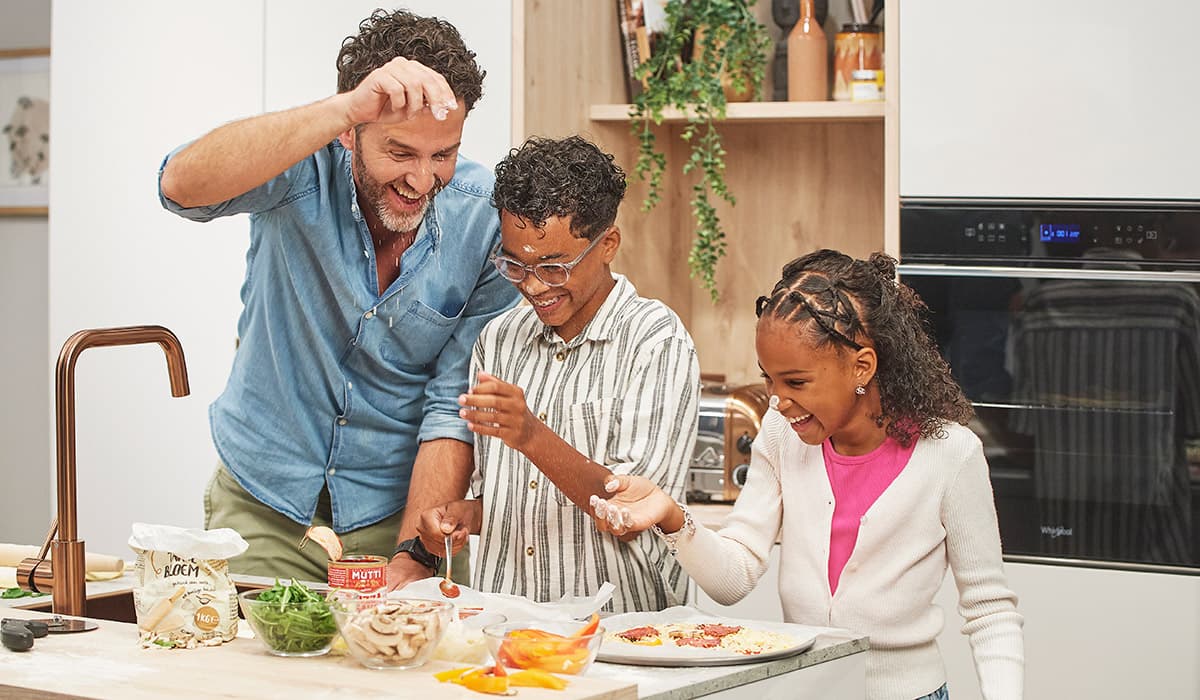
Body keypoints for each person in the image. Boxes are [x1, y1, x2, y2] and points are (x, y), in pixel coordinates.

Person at [157, 9, 520, 587]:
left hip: (396, 516)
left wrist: (415, 554)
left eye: (442, 154)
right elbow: (180, 186)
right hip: (264, 505)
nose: (423, 180)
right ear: (351, 133)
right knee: (251, 674)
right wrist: (343, 107)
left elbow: (454, 403)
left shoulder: (487, 222)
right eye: (401, 153)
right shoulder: (300, 167)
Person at [590, 250, 1025, 699]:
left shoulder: (950, 454)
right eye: (769, 380)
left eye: (795, 382)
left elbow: (990, 610)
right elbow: (733, 578)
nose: (777, 400)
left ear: (862, 367)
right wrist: (672, 517)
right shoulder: (781, 435)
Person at [415, 135, 700, 613]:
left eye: (553, 266)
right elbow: (520, 497)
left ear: (607, 244)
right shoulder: (498, 340)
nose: (531, 285)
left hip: (620, 633)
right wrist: (468, 514)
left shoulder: (656, 340)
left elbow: (630, 512)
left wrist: (530, 434)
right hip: (506, 626)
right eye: (514, 264)